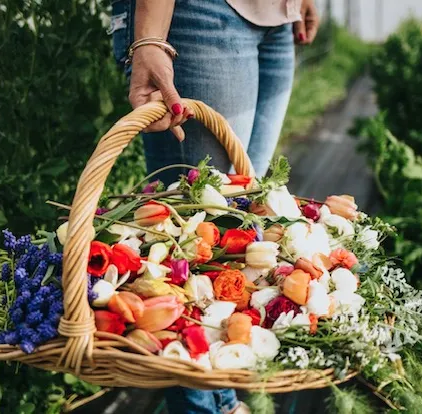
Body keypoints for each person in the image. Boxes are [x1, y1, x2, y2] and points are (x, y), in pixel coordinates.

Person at [110, 0, 319, 412]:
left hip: (276, 17)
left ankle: (225, 402)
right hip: (201, 13)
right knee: (189, 248)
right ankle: (208, 407)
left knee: (240, 230)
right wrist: (150, 36)